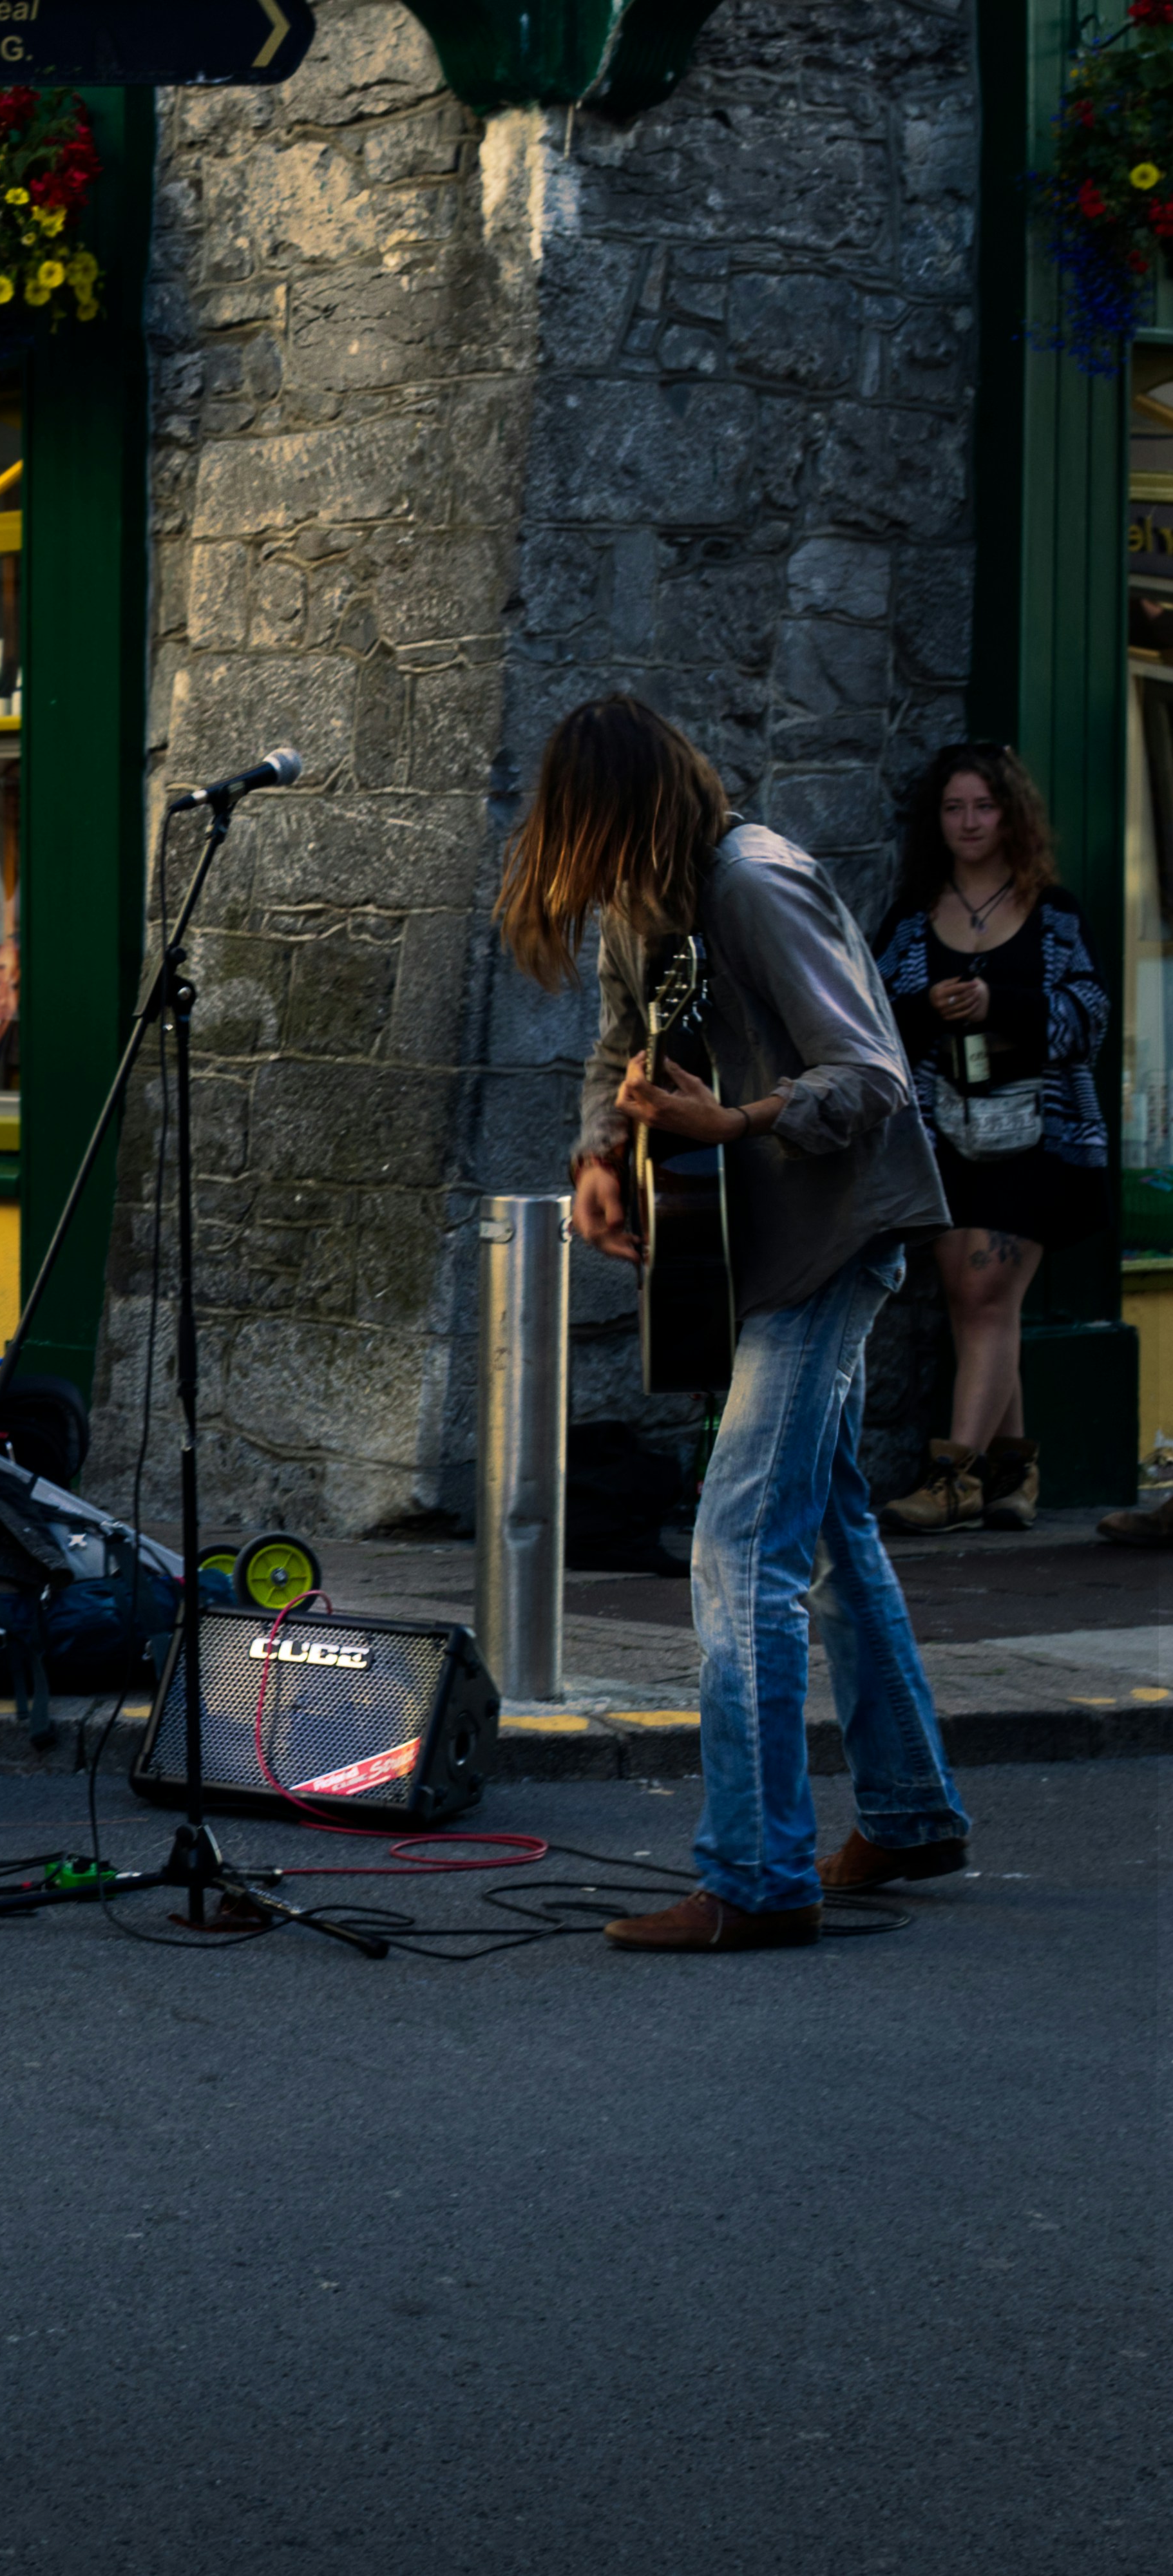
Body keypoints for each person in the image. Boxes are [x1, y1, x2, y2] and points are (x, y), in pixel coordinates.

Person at [504, 694, 971, 1949]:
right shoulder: (644, 898)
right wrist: (597, 1154)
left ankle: (756, 1880)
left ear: (625, 812)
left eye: (585, 835)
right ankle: (910, 1813)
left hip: (833, 1242)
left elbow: (871, 1074)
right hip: (756, 1249)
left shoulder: (755, 885)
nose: (580, 870)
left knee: (736, 1548)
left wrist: (738, 1122)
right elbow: (618, 1044)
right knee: (831, 1534)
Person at [863, 745, 1114, 1538]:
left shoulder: (1053, 912)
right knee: (977, 1304)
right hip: (943, 1136)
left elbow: (1090, 1018)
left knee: (982, 1298)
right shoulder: (913, 918)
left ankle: (953, 1478)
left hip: (1040, 1138)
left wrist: (998, 1004)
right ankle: (1013, 1472)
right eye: (954, 808)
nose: (969, 822)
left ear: (1011, 815)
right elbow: (867, 1017)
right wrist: (930, 1008)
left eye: (984, 806)